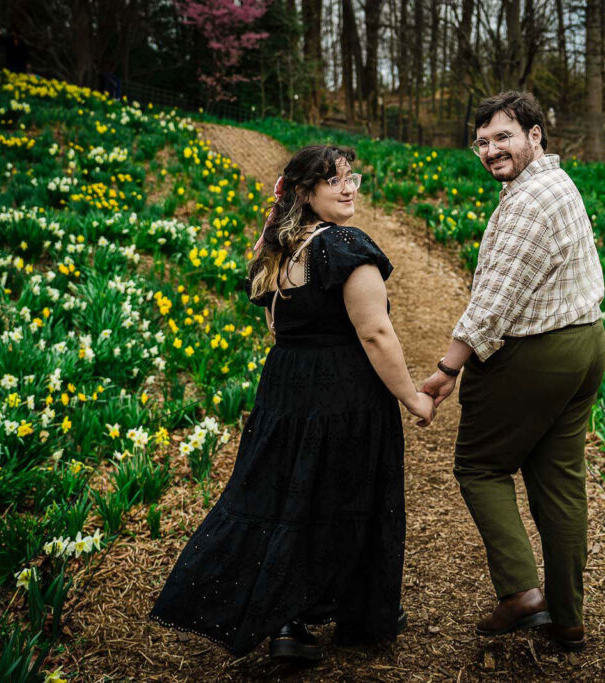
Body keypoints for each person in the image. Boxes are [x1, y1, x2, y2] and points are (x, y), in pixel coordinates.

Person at [150, 144, 435, 661]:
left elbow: (280, 329)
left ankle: (286, 621)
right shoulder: (344, 246)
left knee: (286, 497)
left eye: (353, 178)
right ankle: (360, 610)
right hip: (344, 392)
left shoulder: (278, 249)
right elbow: (375, 333)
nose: (349, 189)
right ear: (305, 193)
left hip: (284, 388)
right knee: (346, 497)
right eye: (334, 181)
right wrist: (413, 397)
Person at [421, 92, 605, 652]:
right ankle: (569, 618)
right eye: (481, 142)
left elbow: (493, 304)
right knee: (559, 482)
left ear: (535, 134)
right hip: (585, 344)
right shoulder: (556, 183)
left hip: (537, 354)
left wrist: (448, 367)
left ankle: (521, 593)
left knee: (480, 466)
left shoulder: (529, 201)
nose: (490, 150)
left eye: (503, 136)